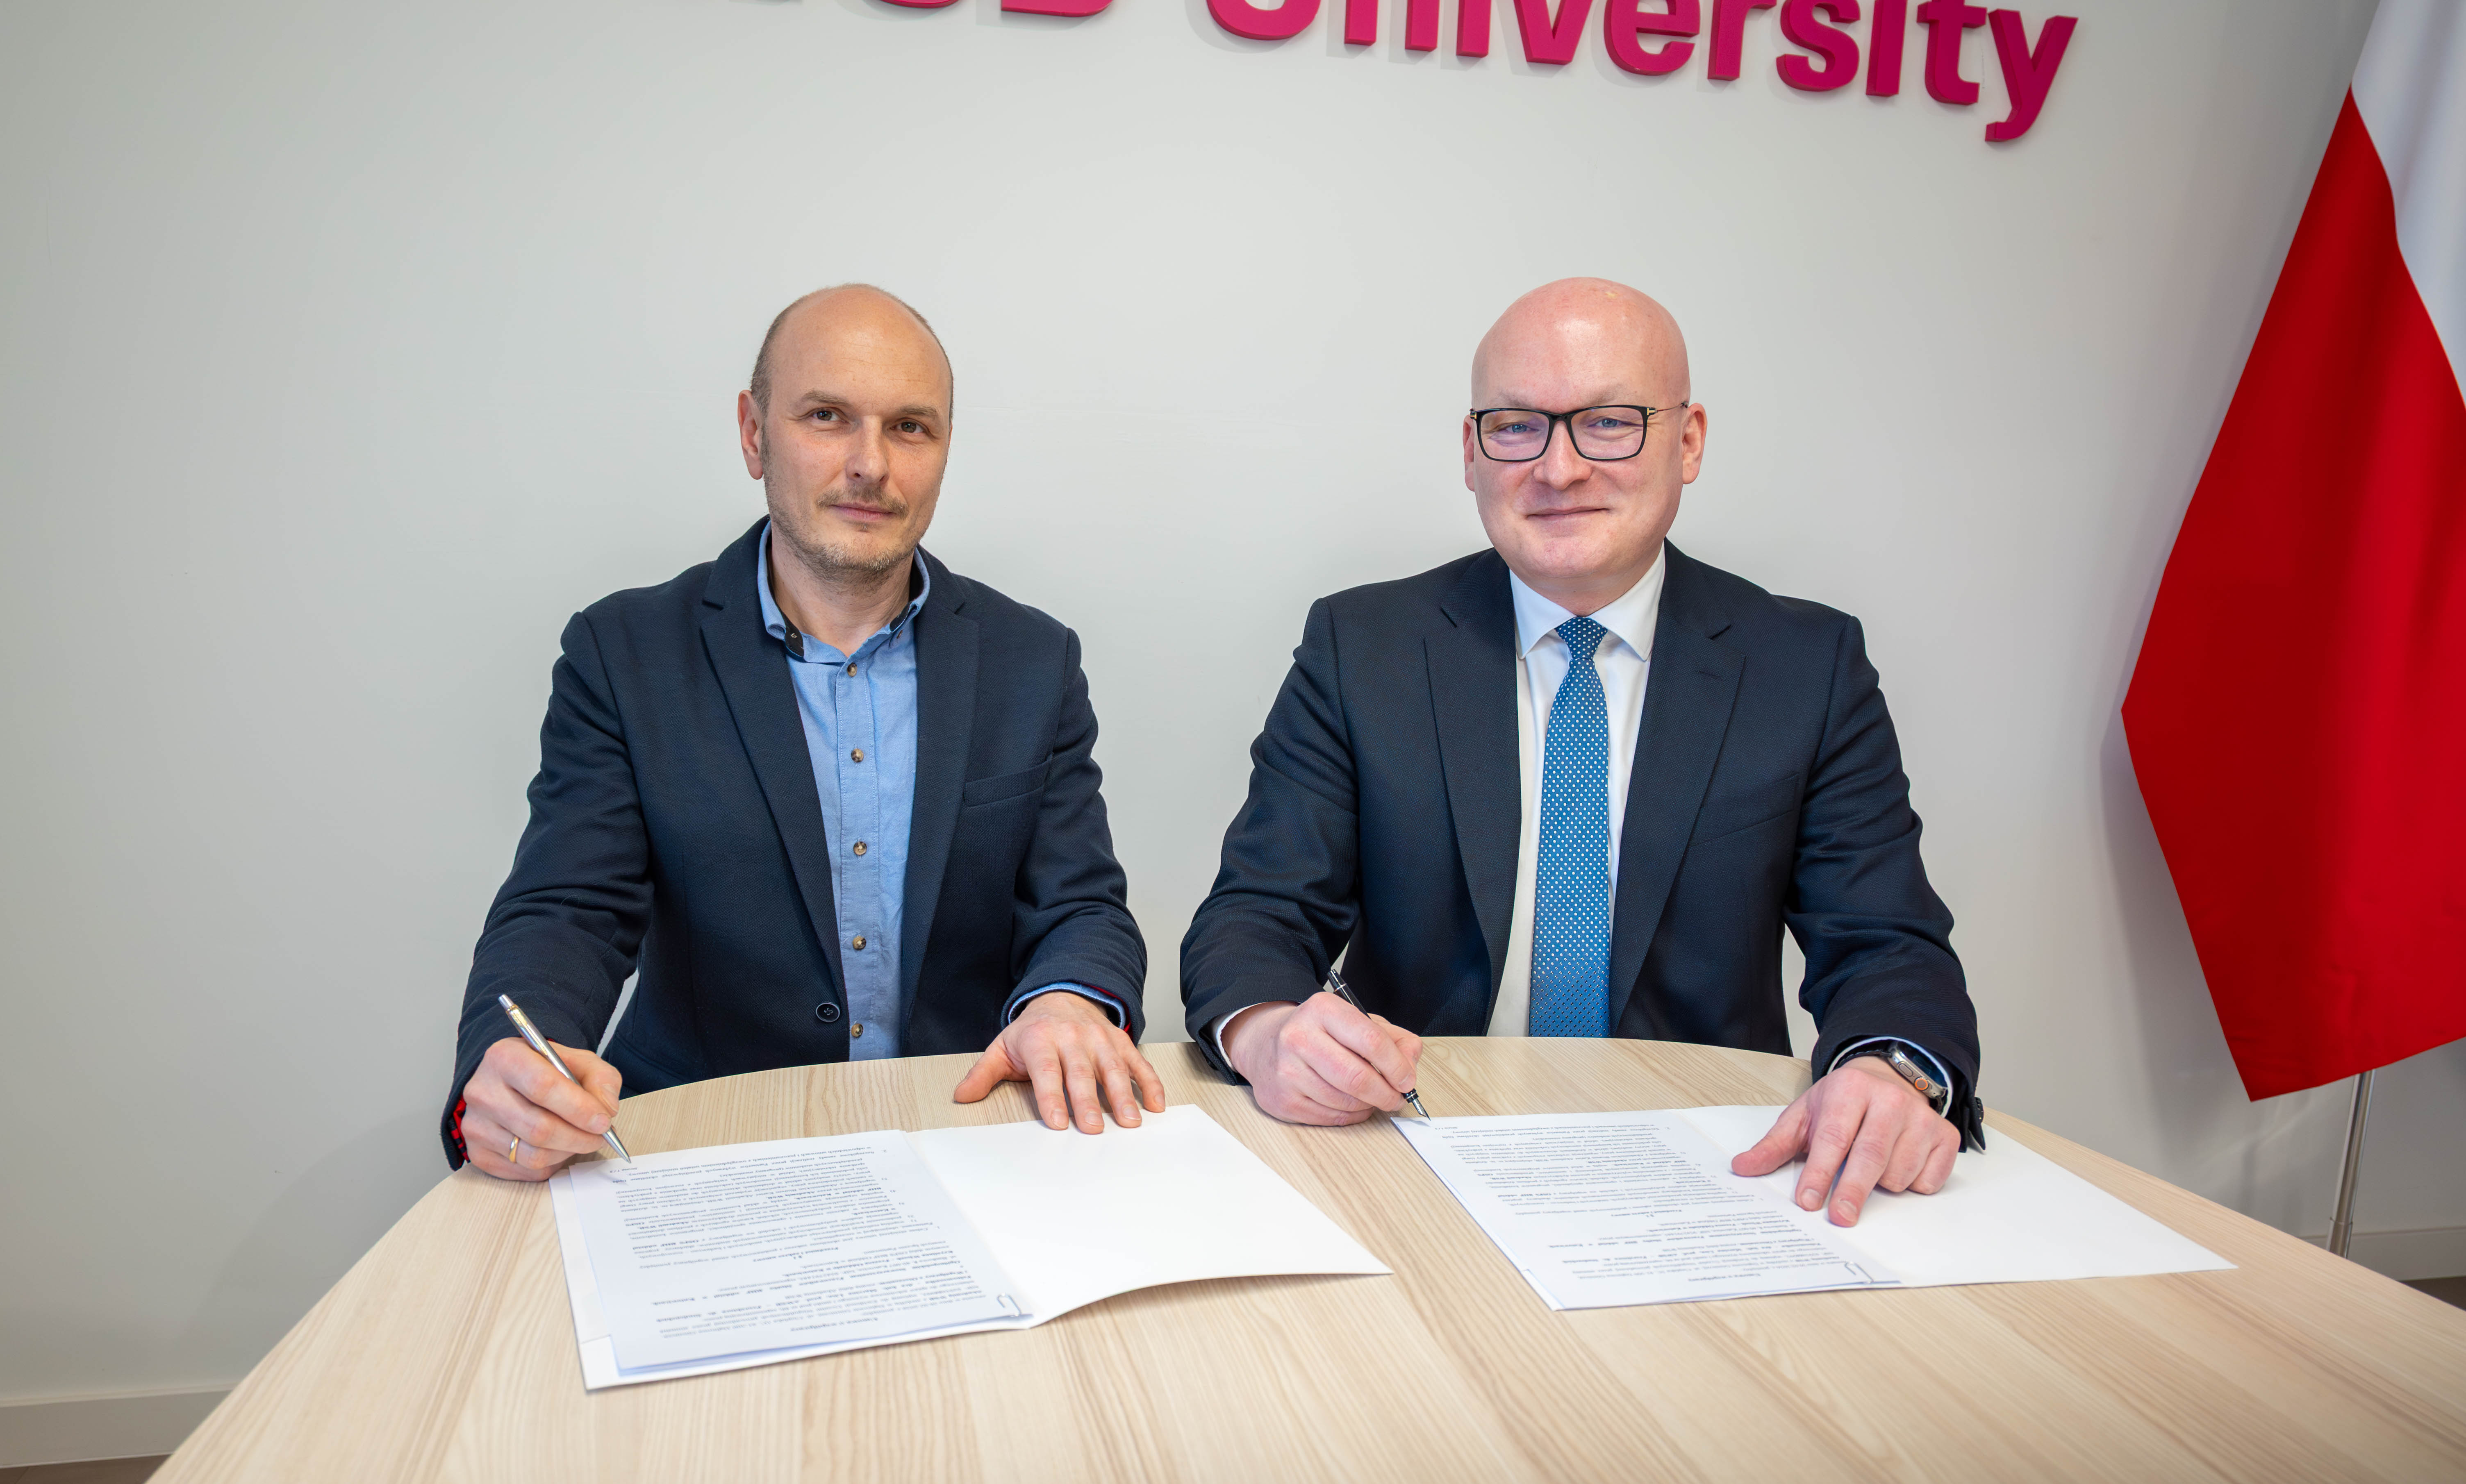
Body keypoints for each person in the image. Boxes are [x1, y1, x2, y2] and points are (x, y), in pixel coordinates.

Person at [1181, 278, 1980, 1227]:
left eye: (1607, 423)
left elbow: (1884, 944)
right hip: (1414, 1149)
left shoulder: (1804, 666)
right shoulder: (1364, 648)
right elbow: (1257, 914)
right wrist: (1269, 1032)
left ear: (1688, 442)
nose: (1557, 469)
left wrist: (1887, 1070)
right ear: (1470, 452)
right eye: (1516, 426)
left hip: (1707, 1170)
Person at [442, 284, 1161, 1178]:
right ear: (754, 434)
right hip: (706, 1142)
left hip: (965, 1137)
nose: (870, 464)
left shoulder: (1031, 658)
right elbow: (568, 911)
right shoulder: (624, 653)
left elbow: (1079, 907)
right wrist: (518, 1064)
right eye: (827, 417)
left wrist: (1065, 1003)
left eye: (910, 427)